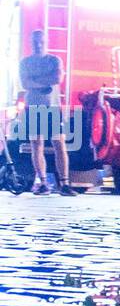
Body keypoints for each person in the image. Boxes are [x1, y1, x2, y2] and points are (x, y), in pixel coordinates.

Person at [19, 29, 76, 196]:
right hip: (33, 108)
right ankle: (43, 183)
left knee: (59, 144)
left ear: (46, 41)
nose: (38, 44)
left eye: (41, 41)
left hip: (52, 108)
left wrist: (35, 81)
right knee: (37, 145)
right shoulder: (25, 62)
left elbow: (57, 79)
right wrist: (45, 81)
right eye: (35, 41)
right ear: (31, 42)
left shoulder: (54, 60)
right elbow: (24, 83)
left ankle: (64, 184)